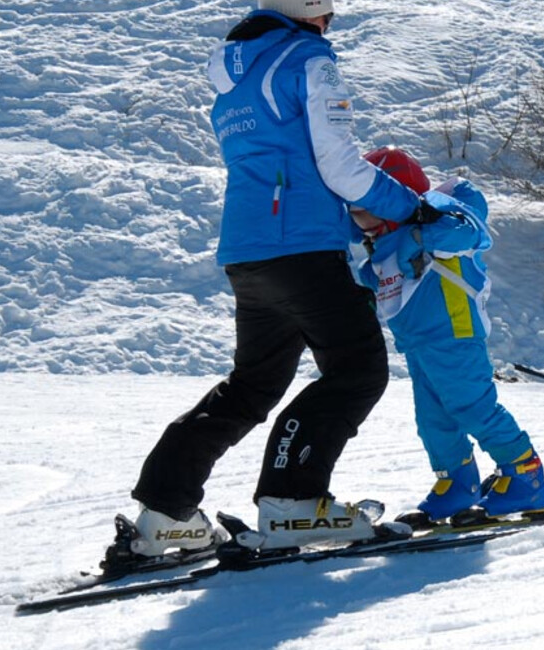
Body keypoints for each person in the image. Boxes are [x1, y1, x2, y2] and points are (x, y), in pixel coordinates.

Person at [119, 0, 424, 560]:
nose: (331, 23)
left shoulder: (234, 74)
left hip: (248, 249)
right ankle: (293, 503)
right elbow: (338, 164)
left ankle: (165, 513)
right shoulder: (308, 58)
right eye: (328, 12)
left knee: (253, 384)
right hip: (302, 245)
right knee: (357, 370)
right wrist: (410, 207)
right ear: (309, 10)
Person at [351, 147, 544, 521]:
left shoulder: (437, 218)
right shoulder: (380, 248)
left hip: (455, 334)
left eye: (362, 208)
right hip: (417, 345)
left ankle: (525, 474)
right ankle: (457, 482)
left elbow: (470, 232)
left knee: (473, 406)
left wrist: (424, 232)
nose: (356, 218)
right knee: (432, 419)